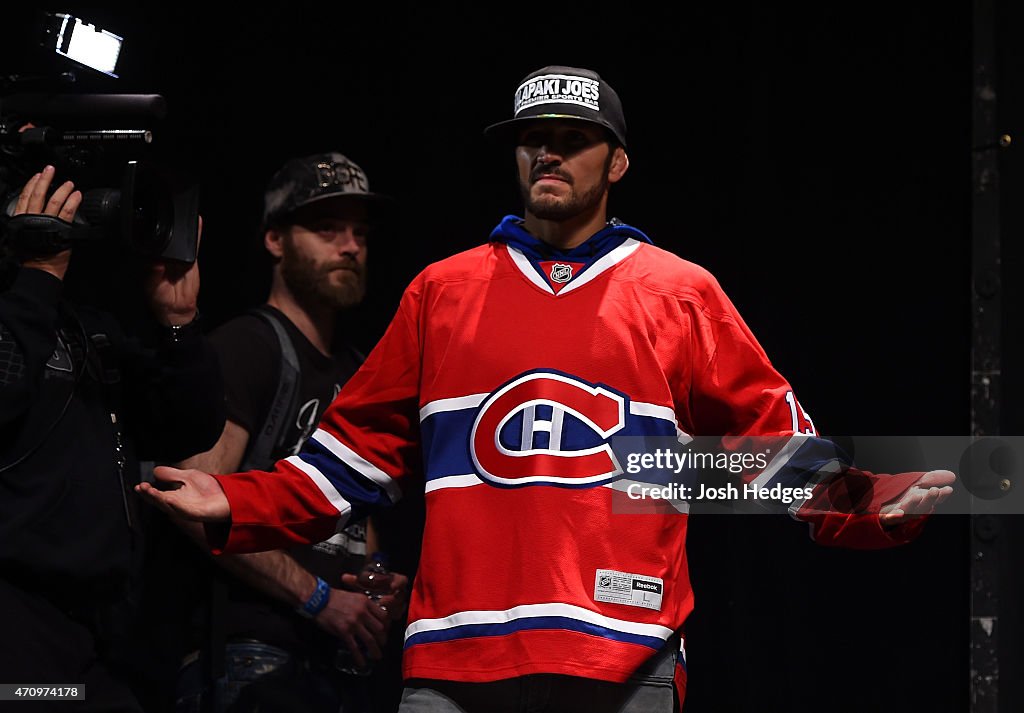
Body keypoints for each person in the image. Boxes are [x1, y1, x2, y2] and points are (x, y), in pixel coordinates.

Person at [138, 66, 955, 713]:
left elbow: (769, 445)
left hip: (622, 653)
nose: (548, 154)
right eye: (533, 139)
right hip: (456, 661)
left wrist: (867, 500)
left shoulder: (678, 292)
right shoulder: (442, 291)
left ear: (619, 162)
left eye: (572, 138)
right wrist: (237, 501)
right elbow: (348, 460)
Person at [171, 152, 408, 713]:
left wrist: (372, 586)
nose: (350, 245)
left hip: (333, 660)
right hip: (251, 657)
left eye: (359, 232)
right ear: (275, 240)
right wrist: (318, 597)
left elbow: (358, 518)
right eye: (327, 228)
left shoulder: (359, 371)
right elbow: (193, 498)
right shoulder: (248, 346)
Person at [0, 165, 225, 712]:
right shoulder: (24, 305)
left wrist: (178, 321)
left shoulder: (84, 321)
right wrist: (36, 274)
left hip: (102, 631)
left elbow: (187, 427)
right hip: (17, 630)